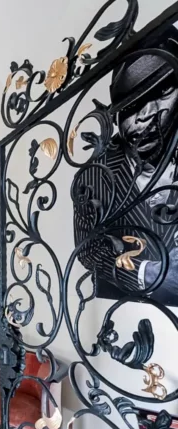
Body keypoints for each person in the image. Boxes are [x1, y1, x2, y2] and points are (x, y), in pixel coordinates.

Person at [74, 27, 178, 303]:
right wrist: (148, 274)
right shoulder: (97, 172)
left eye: (163, 92)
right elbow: (88, 249)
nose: (144, 116)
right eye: (131, 106)